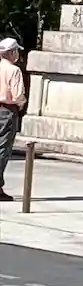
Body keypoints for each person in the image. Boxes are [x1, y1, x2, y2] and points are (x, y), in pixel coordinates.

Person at [0, 37, 27, 204]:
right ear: (12, 52)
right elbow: (18, 95)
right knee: (3, 148)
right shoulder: (14, 70)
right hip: (7, 110)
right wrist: (22, 104)